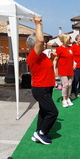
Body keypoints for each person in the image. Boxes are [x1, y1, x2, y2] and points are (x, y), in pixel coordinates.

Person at [26, 15, 58, 145]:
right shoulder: (33, 56)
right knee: (53, 112)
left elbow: (47, 69)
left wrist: (53, 59)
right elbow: (39, 41)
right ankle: (42, 133)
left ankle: (38, 132)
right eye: (42, 42)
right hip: (40, 88)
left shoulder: (43, 56)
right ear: (34, 45)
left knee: (44, 111)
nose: (44, 43)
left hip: (47, 87)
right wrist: (38, 24)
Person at [56, 33, 75, 107]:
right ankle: (64, 100)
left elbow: (73, 57)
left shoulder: (71, 48)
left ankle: (68, 98)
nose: (70, 40)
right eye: (69, 38)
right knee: (66, 84)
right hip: (63, 69)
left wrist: (74, 63)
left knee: (70, 84)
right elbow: (56, 59)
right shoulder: (59, 49)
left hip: (70, 69)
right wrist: (55, 69)